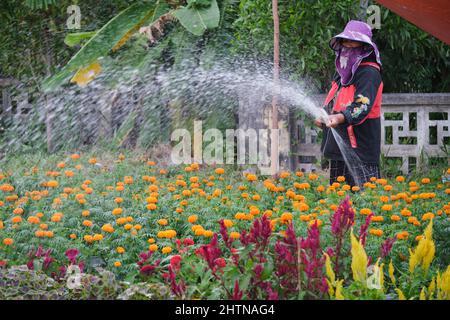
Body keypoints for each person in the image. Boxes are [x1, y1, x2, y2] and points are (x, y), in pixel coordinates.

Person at [315, 20, 383, 187]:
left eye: (352, 43)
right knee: (339, 204)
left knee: (365, 202)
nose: (347, 47)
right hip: (339, 150)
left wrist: (339, 118)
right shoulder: (341, 74)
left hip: (361, 151)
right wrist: (323, 116)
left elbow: (362, 106)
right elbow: (333, 101)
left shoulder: (369, 73)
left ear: (364, 48)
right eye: (345, 42)